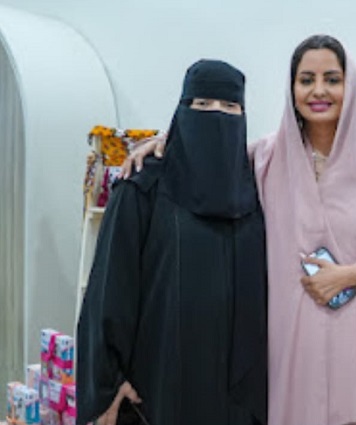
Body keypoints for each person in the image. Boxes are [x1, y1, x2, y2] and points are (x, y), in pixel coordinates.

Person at [122, 35, 356, 425]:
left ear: (351, 86)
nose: (319, 91)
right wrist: (166, 140)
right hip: (291, 347)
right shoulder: (264, 160)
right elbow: (212, 149)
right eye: (306, 80)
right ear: (291, 88)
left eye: (332, 79)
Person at [76, 59, 267, 425]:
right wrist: (107, 384)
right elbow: (109, 292)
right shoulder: (143, 190)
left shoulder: (256, 195)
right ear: (182, 111)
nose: (216, 115)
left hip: (238, 401)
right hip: (158, 390)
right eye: (203, 104)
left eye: (230, 106)